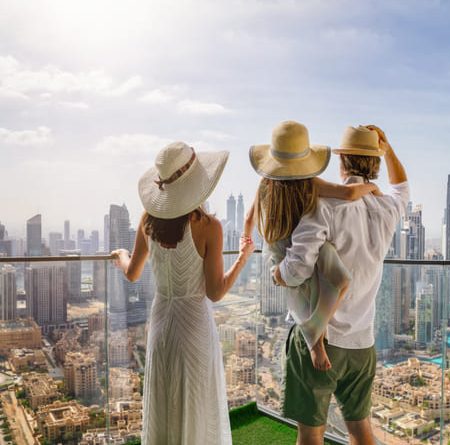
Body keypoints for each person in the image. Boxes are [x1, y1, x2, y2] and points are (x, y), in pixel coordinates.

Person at [274, 124, 409, 445]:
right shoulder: (387, 208)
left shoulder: (324, 206)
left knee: (311, 434)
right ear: (375, 164)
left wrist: (277, 273)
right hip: (362, 343)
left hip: (322, 338)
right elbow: (401, 186)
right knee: (360, 430)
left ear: (341, 162)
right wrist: (387, 149)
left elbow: (296, 270)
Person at [111, 142, 253, 445]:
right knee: (196, 404)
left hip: (162, 323)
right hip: (194, 326)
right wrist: (242, 259)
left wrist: (121, 255)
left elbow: (132, 273)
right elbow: (215, 292)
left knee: (164, 401)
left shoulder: (147, 220)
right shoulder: (209, 227)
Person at [247, 120, 380, 371]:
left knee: (334, 281)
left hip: (286, 248)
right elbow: (349, 194)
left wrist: (246, 241)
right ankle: (315, 342)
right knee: (329, 282)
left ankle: (314, 333)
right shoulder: (311, 183)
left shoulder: (266, 182)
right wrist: (372, 186)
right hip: (287, 248)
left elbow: (249, 218)